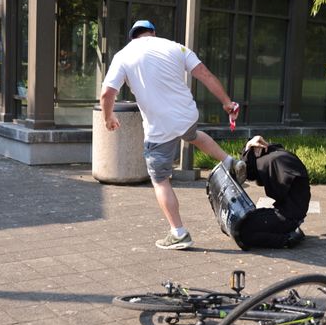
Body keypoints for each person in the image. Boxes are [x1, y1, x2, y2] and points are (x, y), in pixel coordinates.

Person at [99, 20, 245, 250]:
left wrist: (108, 118)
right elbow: (205, 75)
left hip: (160, 128)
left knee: (160, 180)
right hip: (187, 115)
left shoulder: (123, 55)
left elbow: (107, 93)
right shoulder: (176, 47)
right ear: (153, 33)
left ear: (133, 37)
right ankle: (230, 161)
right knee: (193, 134)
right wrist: (227, 103)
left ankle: (178, 233)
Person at [237, 135, 310, 249]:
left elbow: (246, 171)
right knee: (245, 220)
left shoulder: (271, 161)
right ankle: (289, 230)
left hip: (289, 216)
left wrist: (248, 152)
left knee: (243, 233)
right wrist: (248, 147)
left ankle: (288, 239)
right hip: (292, 212)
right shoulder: (276, 155)